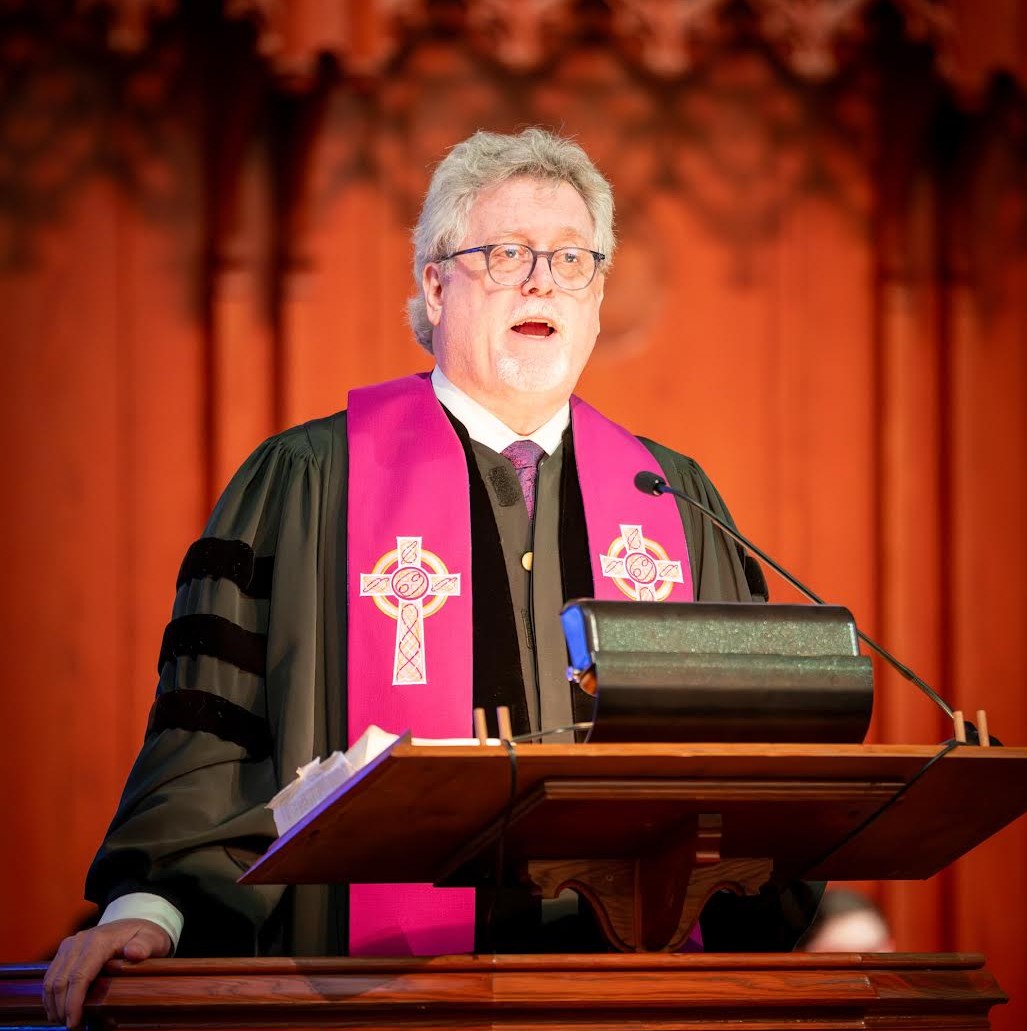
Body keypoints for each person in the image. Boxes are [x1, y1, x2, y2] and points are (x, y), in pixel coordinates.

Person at [44, 128, 822, 1026]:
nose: (542, 282)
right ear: (435, 285)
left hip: (625, 997)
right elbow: (211, 724)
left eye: (571, 259)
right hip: (367, 999)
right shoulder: (307, 483)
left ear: (598, 297)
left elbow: (746, 759)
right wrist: (153, 906)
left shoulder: (674, 500)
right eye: (507, 254)